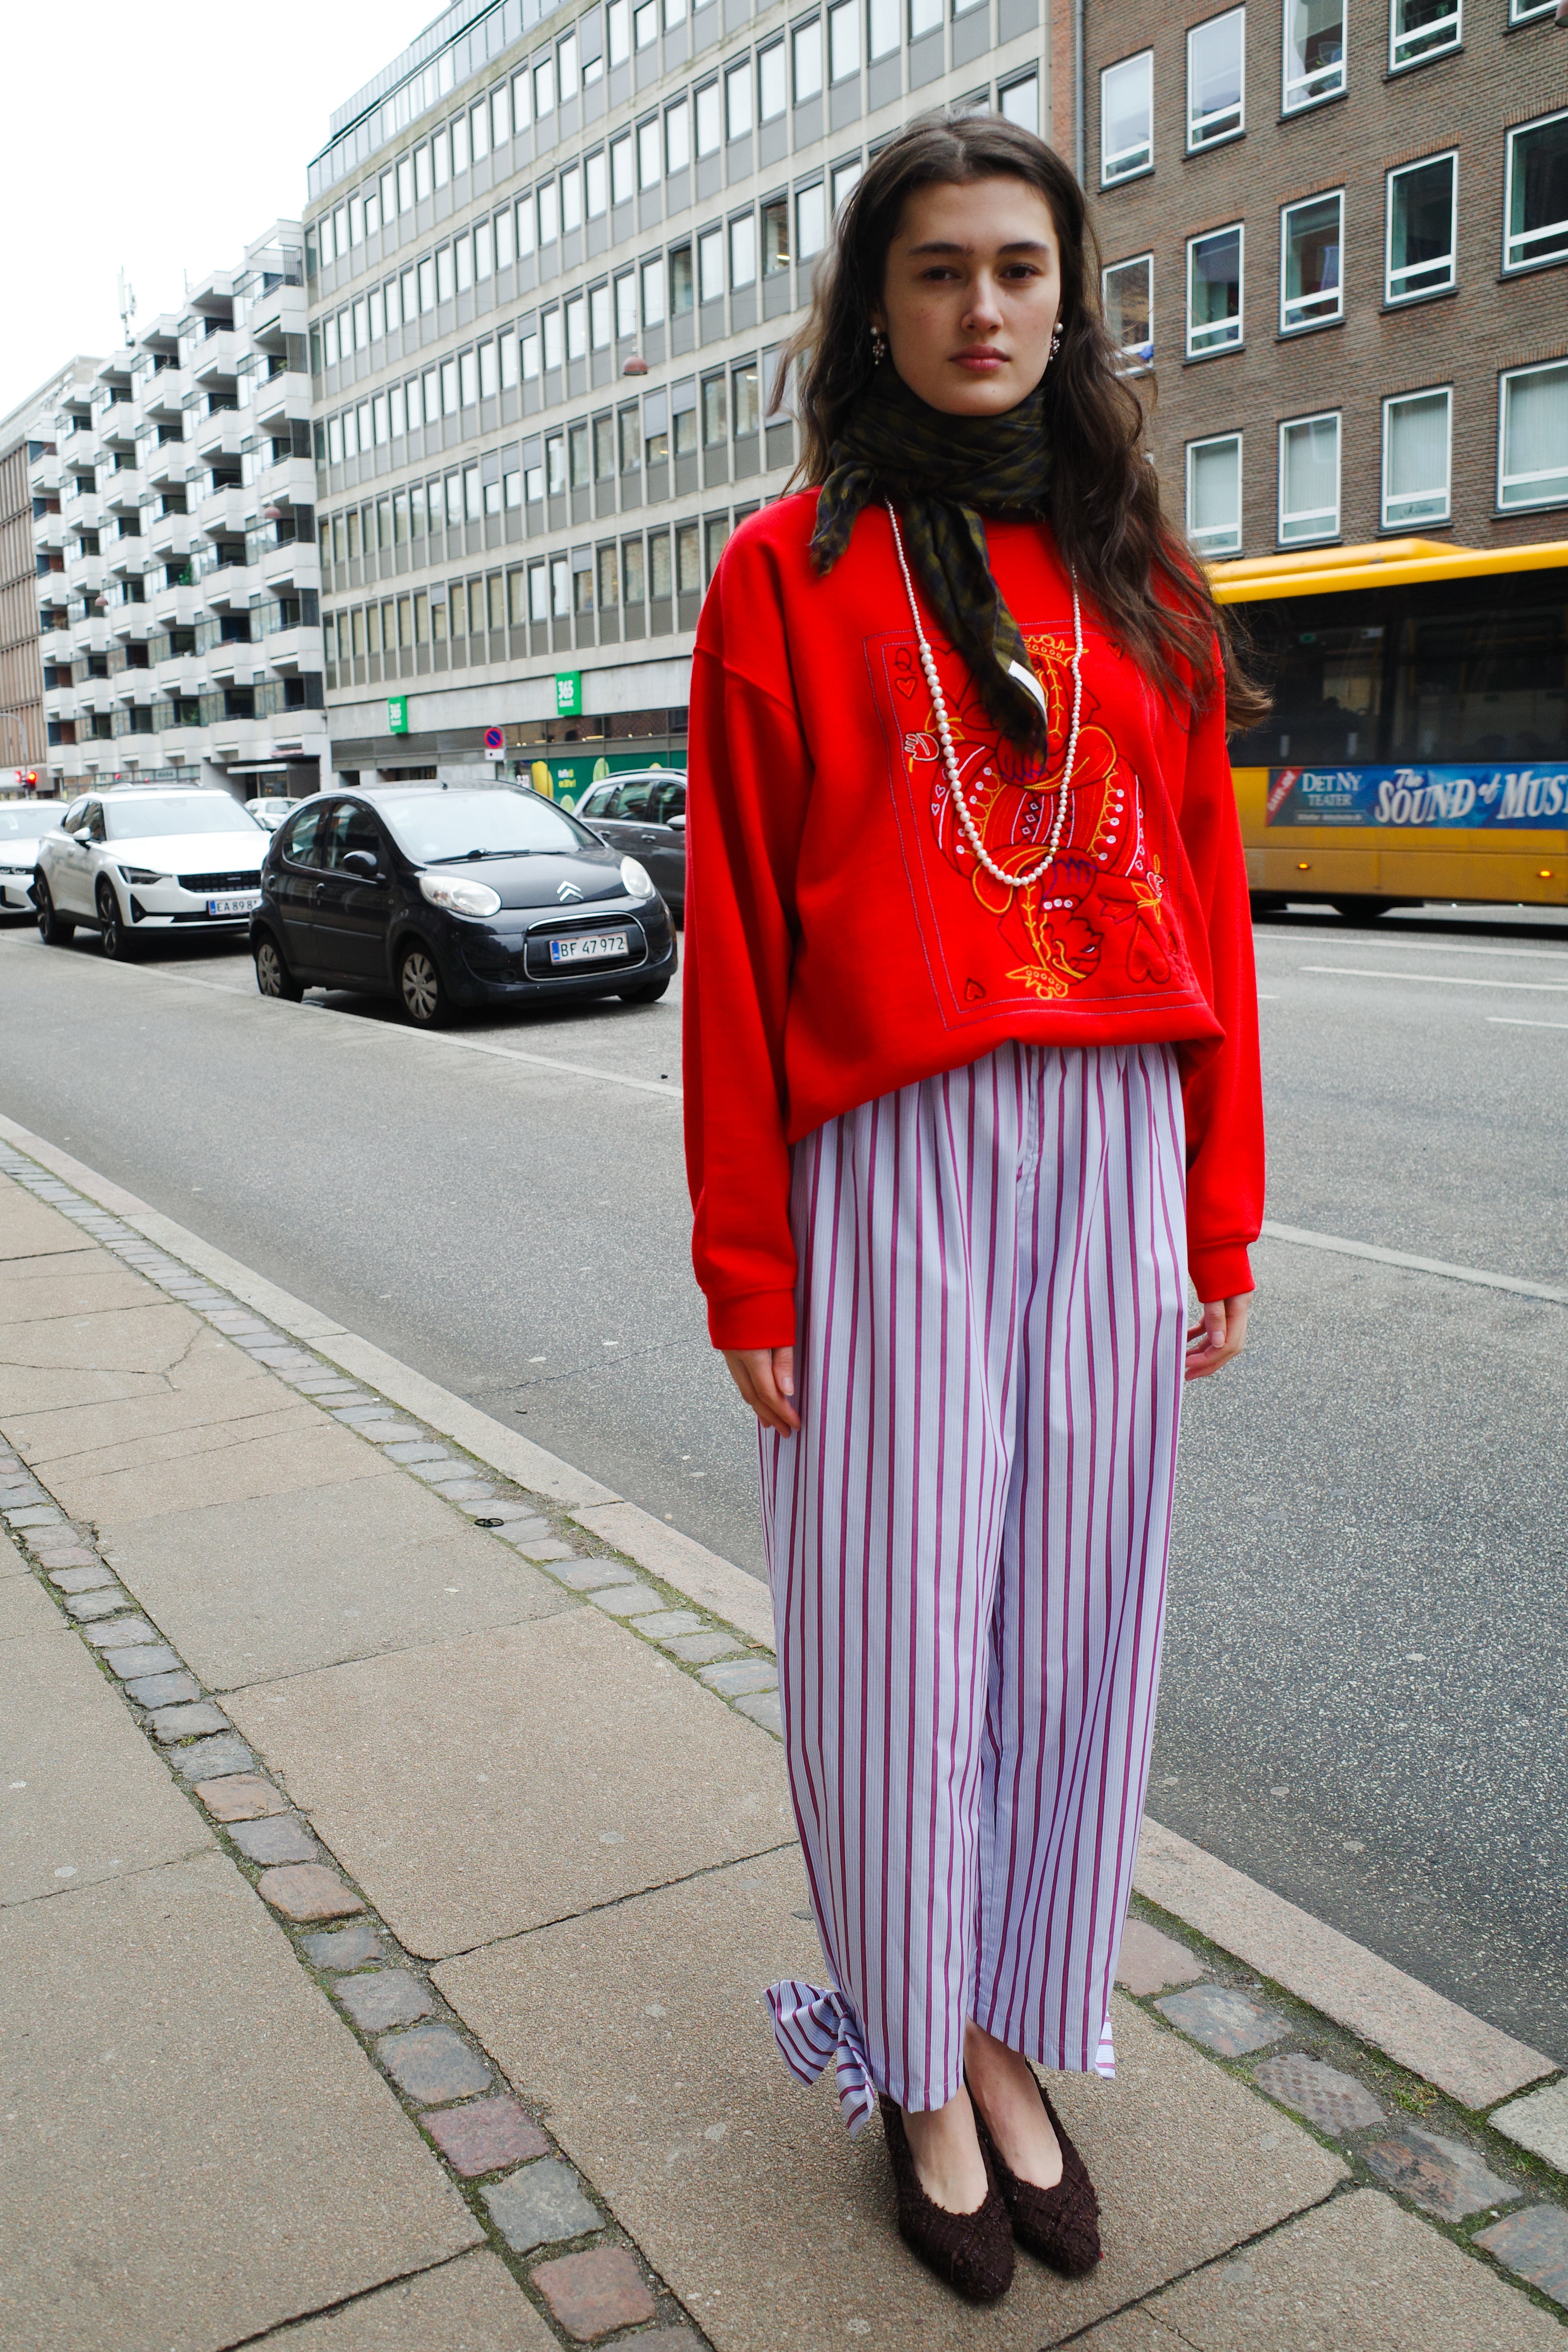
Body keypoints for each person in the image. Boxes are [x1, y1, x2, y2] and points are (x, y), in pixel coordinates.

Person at [681, 111, 1265, 2305]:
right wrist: (749, 1259)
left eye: (1019, 266)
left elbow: (1209, 908)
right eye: (937, 270)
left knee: (1077, 1641)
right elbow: (736, 945)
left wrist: (1218, 1213)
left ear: (1068, 294)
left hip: (1113, 1141)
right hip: (890, 1158)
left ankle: (1017, 2028)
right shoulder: (784, 576)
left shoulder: (1141, 576)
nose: (984, 307)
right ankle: (917, 2065)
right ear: (876, 308)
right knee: (889, 1648)